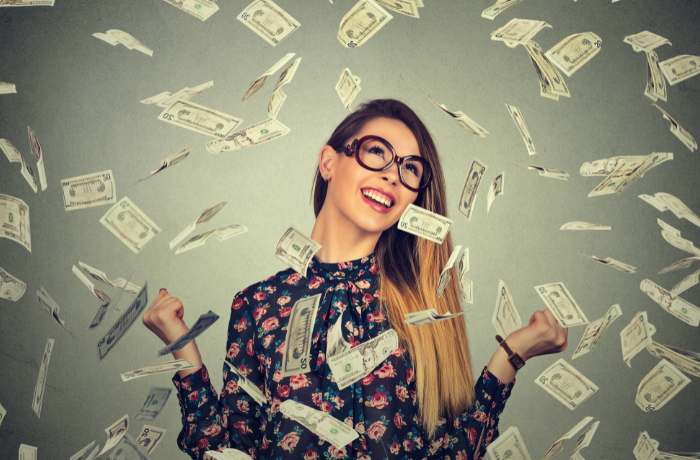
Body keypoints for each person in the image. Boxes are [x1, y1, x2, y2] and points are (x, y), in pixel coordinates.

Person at [142, 98, 568, 459]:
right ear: (330, 161)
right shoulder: (257, 304)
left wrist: (513, 355)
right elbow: (231, 449)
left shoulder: (419, 304)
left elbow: (452, 452)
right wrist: (182, 346)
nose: (391, 175)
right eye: (377, 152)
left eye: (410, 170)